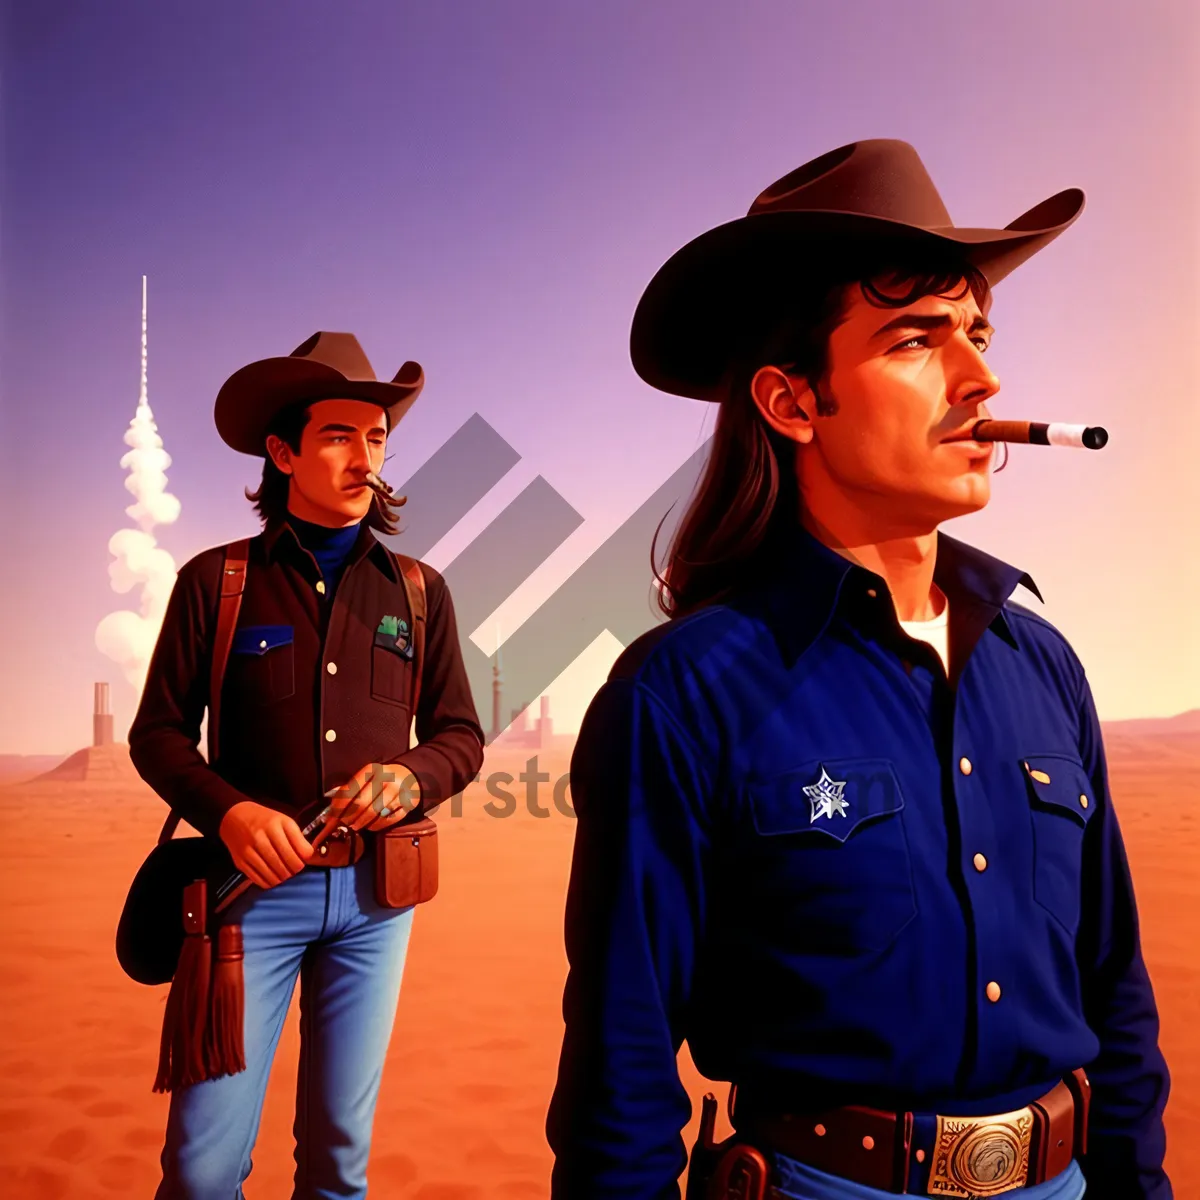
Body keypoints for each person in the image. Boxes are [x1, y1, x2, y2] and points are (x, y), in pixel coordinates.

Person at [546, 140, 1171, 1200]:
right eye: (916, 341)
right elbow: (624, 1055)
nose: (983, 378)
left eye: (977, 333)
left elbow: (1116, 987)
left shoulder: (1045, 664)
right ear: (794, 404)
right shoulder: (683, 692)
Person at [129, 331, 485, 1199]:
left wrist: (413, 776)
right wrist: (231, 813)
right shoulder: (216, 582)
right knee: (203, 1168)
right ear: (283, 454)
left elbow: (460, 736)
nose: (363, 458)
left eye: (376, 439)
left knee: (339, 1161)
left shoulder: (420, 589)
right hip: (247, 905)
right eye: (337, 436)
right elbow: (158, 735)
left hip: (378, 900)